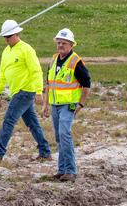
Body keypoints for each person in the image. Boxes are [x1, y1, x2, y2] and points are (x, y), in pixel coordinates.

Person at [0, 20, 51, 163]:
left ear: (17, 33)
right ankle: (45, 152)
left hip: (25, 91)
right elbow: (2, 73)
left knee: (9, 120)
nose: (7, 40)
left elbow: (36, 71)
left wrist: (39, 91)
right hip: (16, 92)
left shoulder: (26, 49)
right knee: (33, 123)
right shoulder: (6, 52)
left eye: (9, 36)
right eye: (5, 37)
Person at [39, 27, 91, 182]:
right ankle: (62, 170)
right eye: (58, 42)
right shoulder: (54, 60)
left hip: (69, 105)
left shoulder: (76, 62)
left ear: (71, 44)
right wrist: (46, 104)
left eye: (64, 43)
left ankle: (70, 170)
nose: (60, 45)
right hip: (55, 105)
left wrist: (80, 104)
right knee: (58, 137)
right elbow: (49, 83)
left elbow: (87, 84)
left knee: (64, 134)